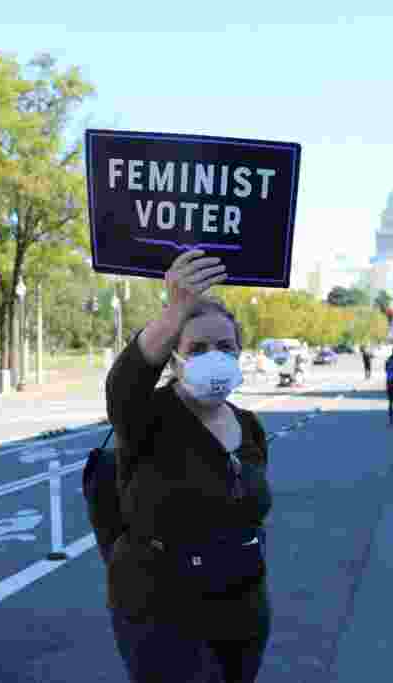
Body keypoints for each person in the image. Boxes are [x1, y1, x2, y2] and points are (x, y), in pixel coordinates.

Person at [105, 249, 272, 683]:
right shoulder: (145, 415)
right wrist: (175, 309)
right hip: (161, 614)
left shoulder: (249, 426)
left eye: (225, 347)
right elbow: (125, 381)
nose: (213, 356)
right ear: (174, 359)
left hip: (242, 611)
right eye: (197, 348)